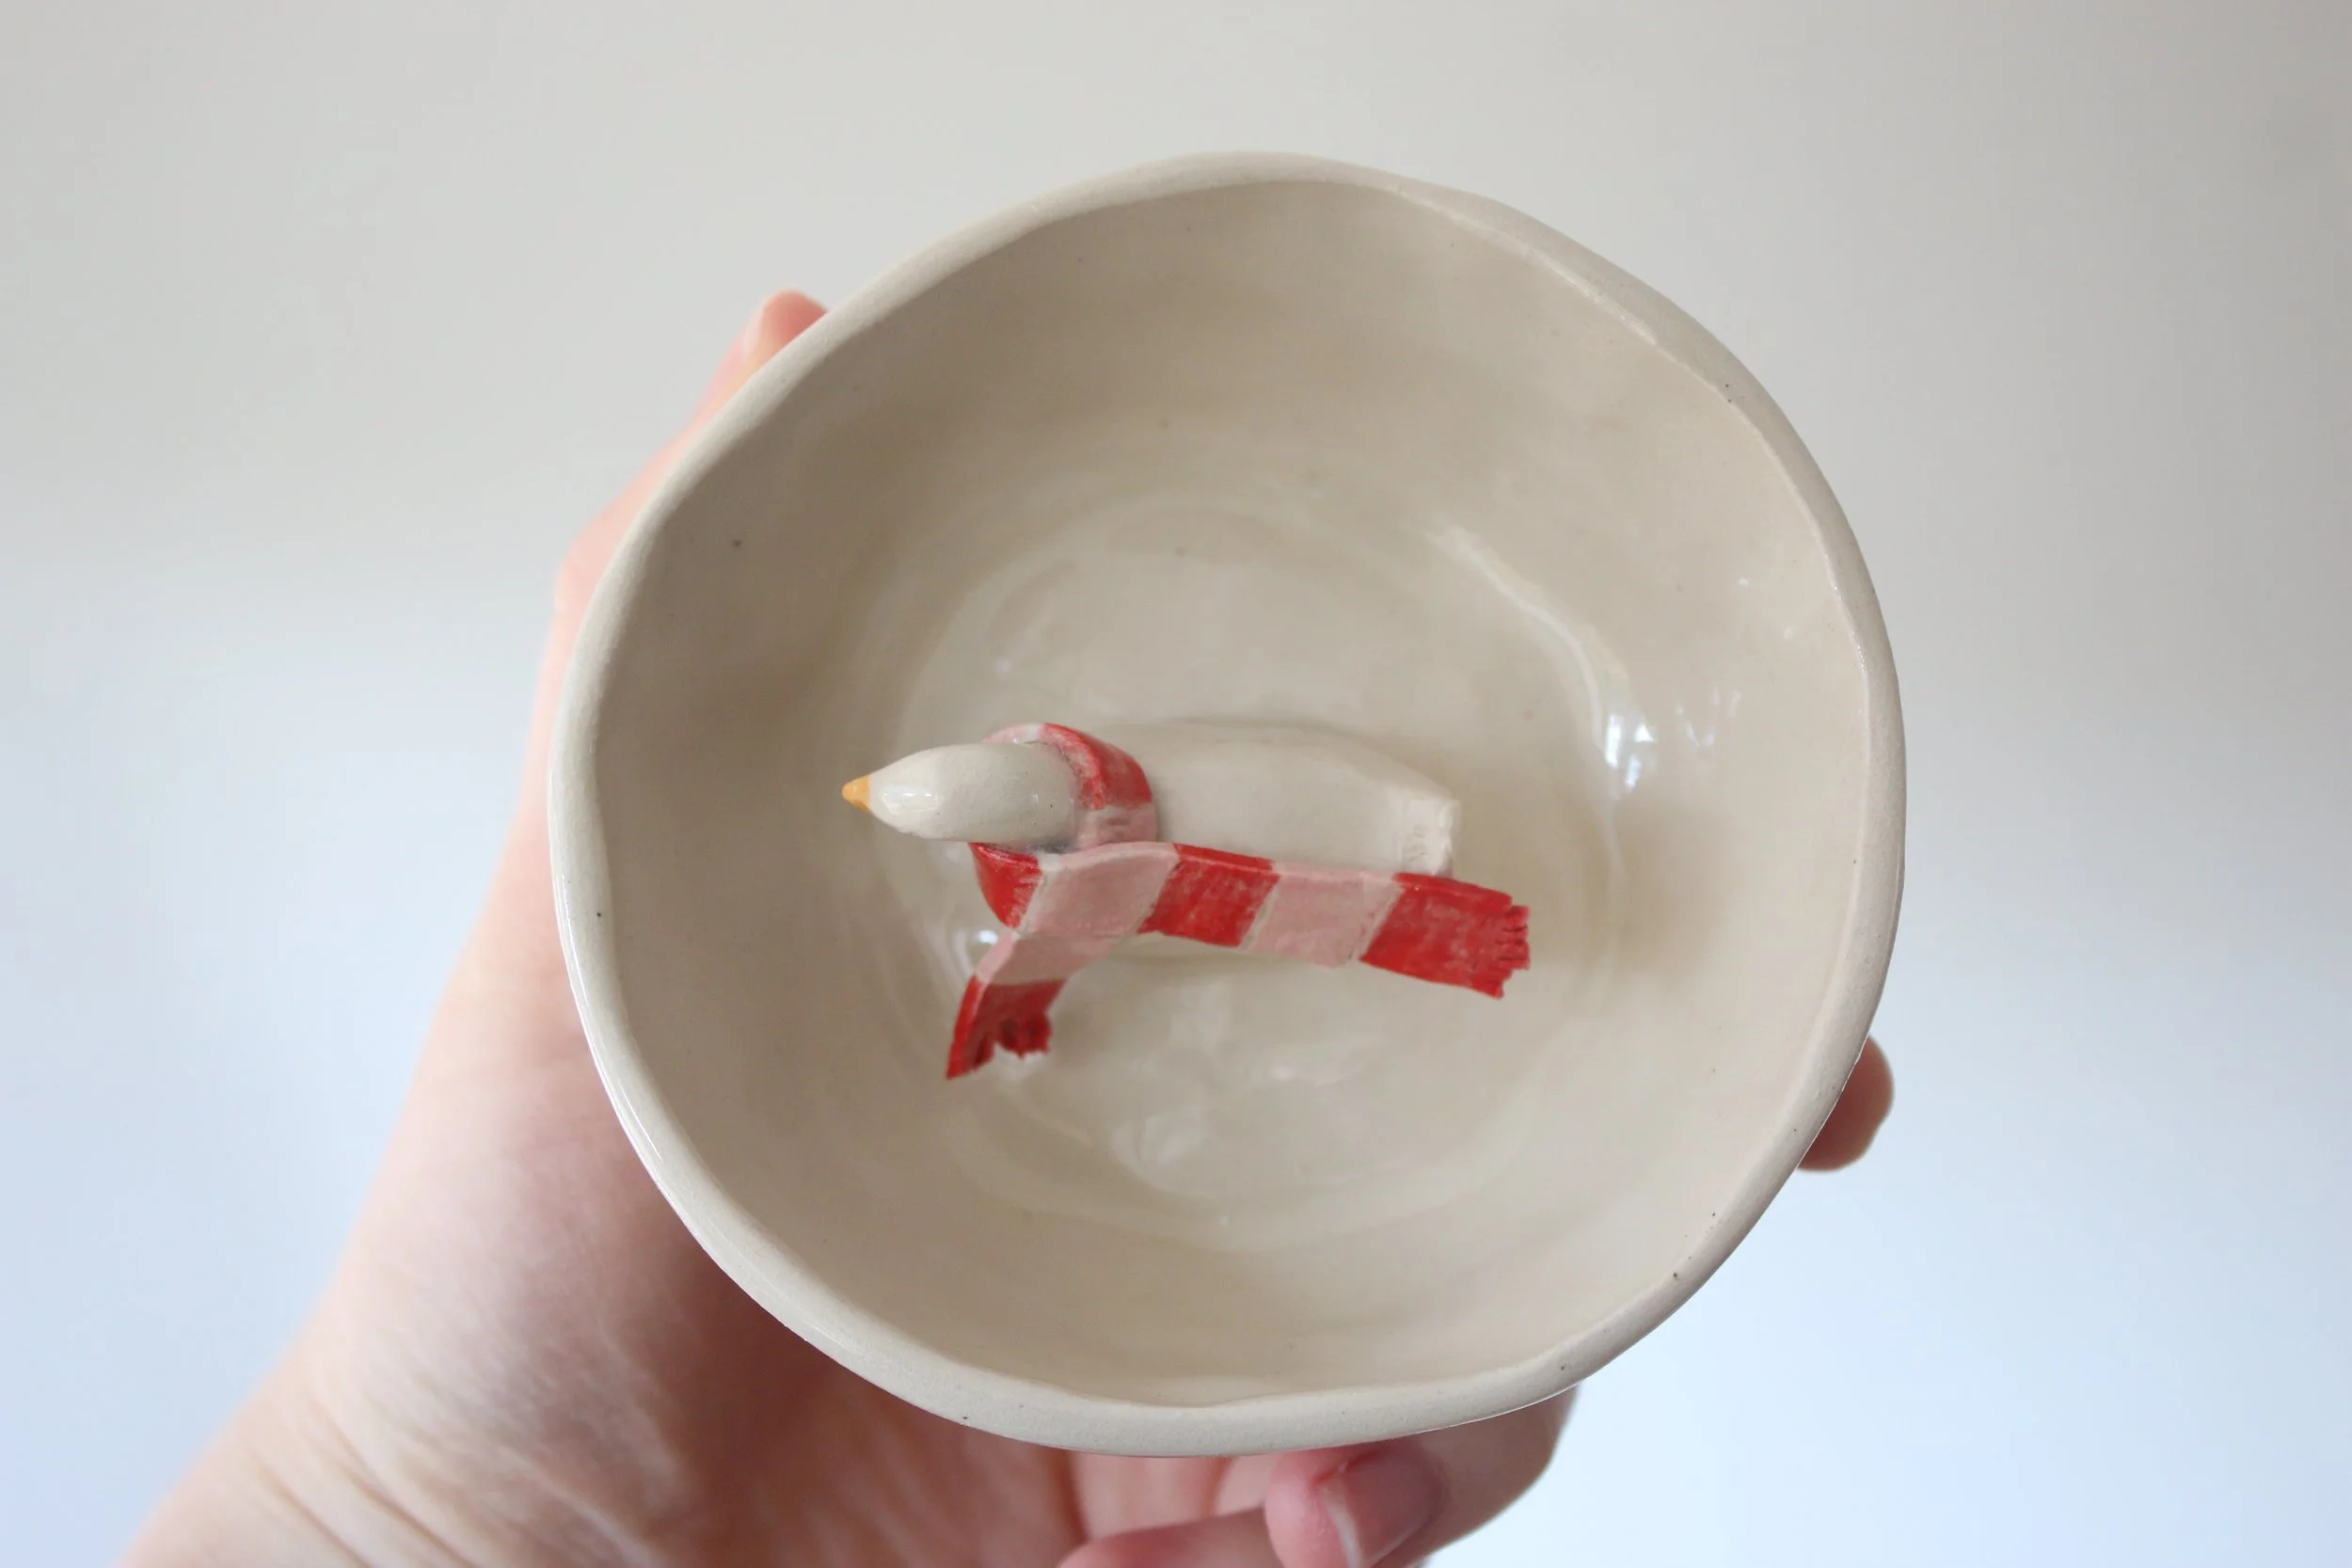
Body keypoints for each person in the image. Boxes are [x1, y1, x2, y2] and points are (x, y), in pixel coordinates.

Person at [124, 292, 1896, 1568]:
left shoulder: (1109, 826)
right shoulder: (1059, 861)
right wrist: (421, 1523)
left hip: (1319, 843)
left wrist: (416, 1527)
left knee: (1340, 865)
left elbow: (1297, 804)